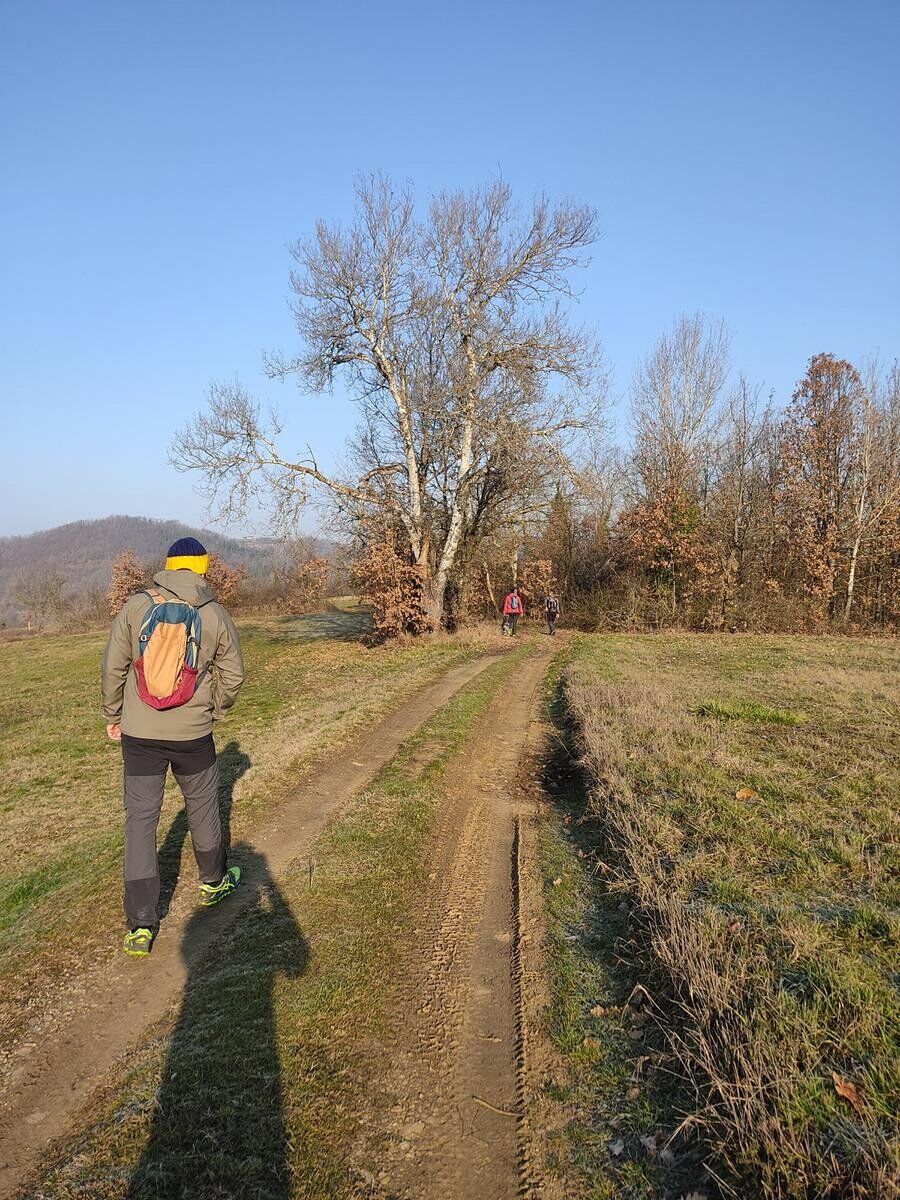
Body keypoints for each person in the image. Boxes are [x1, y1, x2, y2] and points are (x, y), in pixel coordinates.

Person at [101, 537, 245, 957]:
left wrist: (114, 715)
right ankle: (213, 883)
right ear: (201, 568)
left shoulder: (135, 606)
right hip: (192, 734)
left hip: (140, 735)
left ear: (167, 565)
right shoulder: (214, 613)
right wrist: (213, 710)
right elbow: (233, 676)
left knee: (141, 820)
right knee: (201, 805)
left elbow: (114, 665)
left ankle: (141, 925)